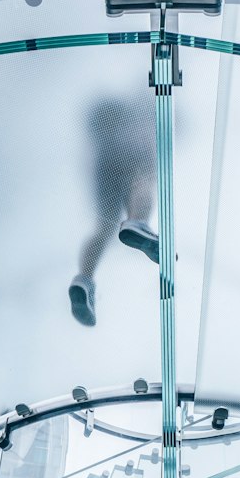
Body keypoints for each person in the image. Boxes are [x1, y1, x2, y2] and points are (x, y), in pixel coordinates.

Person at [69, 93, 158, 326]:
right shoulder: (148, 108)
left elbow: (94, 124)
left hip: (104, 162)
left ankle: (84, 279)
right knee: (143, 183)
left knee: (104, 227)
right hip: (133, 149)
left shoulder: (114, 108)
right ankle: (137, 222)